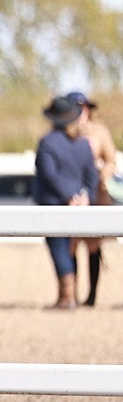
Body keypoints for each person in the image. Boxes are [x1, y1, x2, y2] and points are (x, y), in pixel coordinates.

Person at [34, 95, 98, 309]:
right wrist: (85, 196)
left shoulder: (47, 143)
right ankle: (67, 295)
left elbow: (50, 175)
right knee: (68, 248)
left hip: (55, 203)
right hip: (79, 205)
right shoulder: (82, 143)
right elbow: (91, 174)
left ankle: (67, 295)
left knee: (59, 247)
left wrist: (69, 196)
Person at [68, 91, 116, 306]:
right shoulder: (66, 132)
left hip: (95, 194)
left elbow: (111, 161)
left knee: (94, 245)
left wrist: (101, 175)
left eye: (84, 107)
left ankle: (92, 295)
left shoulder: (99, 132)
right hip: (71, 196)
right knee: (71, 244)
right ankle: (71, 293)